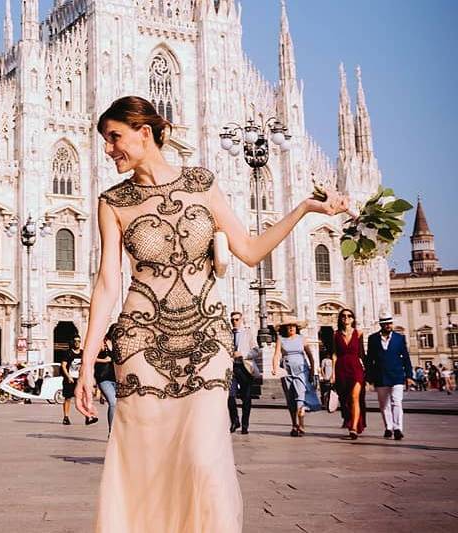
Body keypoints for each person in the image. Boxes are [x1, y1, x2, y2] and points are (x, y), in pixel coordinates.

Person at [72, 96, 349, 533]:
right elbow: (108, 283)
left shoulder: (202, 183)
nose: (109, 149)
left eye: (114, 137)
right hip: (142, 344)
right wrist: (87, 364)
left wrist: (303, 209)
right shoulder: (113, 202)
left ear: (145, 132)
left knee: (205, 459)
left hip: (206, 341)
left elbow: (250, 250)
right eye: (106, 141)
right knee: (144, 461)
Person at [365, 312, 414, 440]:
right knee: (383, 404)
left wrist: (409, 375)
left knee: (396, 402)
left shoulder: (399, 338)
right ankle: (388, 427)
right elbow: (369, 359)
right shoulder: (373, 339)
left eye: (390, 323)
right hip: (380, 375)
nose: (389, 325)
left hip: (397, 375)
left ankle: (398, 428)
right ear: (381, 324)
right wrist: (369, 378)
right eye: (386, 323)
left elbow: (406, 358)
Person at [272, 316, 322, 437]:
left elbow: (310, 355)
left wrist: (312, 370)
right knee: (290, 399)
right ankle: (294, 424)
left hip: (301, 371)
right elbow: (277, 354)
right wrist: (274, 368)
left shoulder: (301, 338)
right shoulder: (281, 339)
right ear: (284, 328)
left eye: (293, 326)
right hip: (287, 371)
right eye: (288, 326)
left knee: (300, 397)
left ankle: (301, 424)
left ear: (296, 328)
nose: (291, 328)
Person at [333, 308, 367, 439]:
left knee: (354, 397)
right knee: (345, 399)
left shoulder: (359, 333)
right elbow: (335, 354)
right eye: (343, 316)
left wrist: (367, 372)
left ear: (353, 319)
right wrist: (332, 374)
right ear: (340, 319)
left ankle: (353, 427)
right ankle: (351, 421)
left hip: (355, 368)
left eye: (349, 316)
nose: (346, 318)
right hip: (341, 368)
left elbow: (362, 354)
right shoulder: (336, 334)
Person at [227, 311, 258, 435]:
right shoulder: (227, 334)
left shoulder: (248, 334)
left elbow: (256, 351)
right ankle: (235, 420)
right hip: (231, 368)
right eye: (232, 320)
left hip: (245, 368)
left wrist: (243, 354)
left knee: (246, 398)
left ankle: (245, 425)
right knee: (230, 396)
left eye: (237, 319)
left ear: (241, 320)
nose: (234, 322)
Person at [61, 335, 97, 425]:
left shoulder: (82, 353)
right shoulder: (68, 353)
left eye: (79, 341)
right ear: (72, 342)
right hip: (70, 379)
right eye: (75, 341)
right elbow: (63, 365)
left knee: (84, 398)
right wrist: (68, 376)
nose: (77, 343)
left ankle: (87, 417)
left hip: (81, 379)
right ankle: (66, 417)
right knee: (68, 398)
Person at [94, 325, 118, 436]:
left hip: (116, 377)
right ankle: (111, 431)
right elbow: (91, 357)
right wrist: (104, 360)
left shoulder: (118, 345)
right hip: (104, 377)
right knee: (113, 402)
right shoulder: (102, 343)